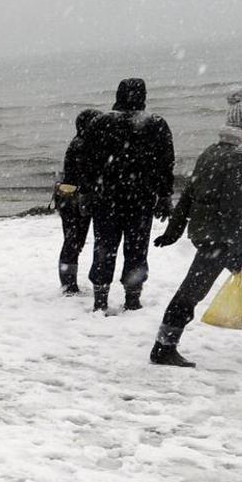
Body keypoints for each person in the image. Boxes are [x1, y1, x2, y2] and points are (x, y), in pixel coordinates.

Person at [150, 91, 242, 367]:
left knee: (201, 288)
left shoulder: (214, 150)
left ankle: (166, 345)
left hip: (209, 232)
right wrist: (236, 242)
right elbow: (233, 202)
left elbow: (190, 193)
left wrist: (175, 230)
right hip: (222, 236)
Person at [83, 78, 173, 312]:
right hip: (141, 199)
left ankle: (100, 300)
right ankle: (132, 299)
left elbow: (87, 164)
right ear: (143, 97)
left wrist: (86, 193)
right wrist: (164, 196)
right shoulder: (157, 124)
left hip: (106, 199)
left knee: (104, 247)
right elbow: (166, 164)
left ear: (118, 95)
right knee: (136, 249)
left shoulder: (99, 123)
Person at [53, 108, 99, 294]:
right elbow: (87, 175)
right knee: (73, 242)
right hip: (74, 200)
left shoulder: (79, 142)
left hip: (68, 199)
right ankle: (68, 285)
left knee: (73, 241)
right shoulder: (83, 145)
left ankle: (68, 283)